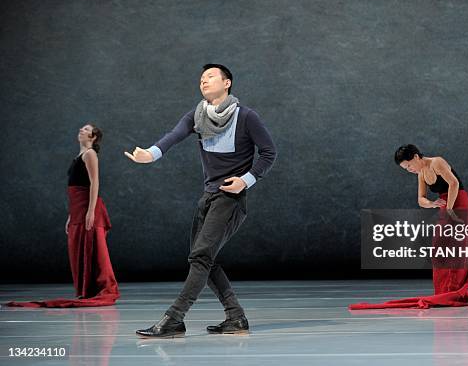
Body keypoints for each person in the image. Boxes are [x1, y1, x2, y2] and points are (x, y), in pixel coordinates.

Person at [126, 64, 276, 338]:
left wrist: (246, 179)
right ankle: (235, 317)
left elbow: (269, 152)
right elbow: (173, 136)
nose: (203, 81)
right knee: (204, 258)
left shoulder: (246, 116)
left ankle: (174, 317)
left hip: (230, 198)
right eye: (201, 79)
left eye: (210, 77)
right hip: (208, 196)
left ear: (227, 82)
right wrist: (150, 154)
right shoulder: (197, 116)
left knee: (201, 257)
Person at [6, 124, 120, 308]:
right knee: (79, 249)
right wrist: (71, 214)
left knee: (94, 249)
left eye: (85, 129)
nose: (81, 130)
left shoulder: (90, 154)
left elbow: (94, 182)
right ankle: (87, 290)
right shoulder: (79, 156)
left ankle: (101, 287)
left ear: (93, 137)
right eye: (81, 128)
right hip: (78, 209)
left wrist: (91, 211)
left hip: (88, 209)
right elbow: (76, 188)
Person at [350, 144, 468, 310]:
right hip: (446, 205)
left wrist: (450, 210)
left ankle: (454, 290)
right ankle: (444, 290)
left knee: (455, 248)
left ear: (416, 157)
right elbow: (421, 199)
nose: (408, 169)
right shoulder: (421, 174)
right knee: (439, 248)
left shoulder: (437, 162)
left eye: (408, 165)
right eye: (405, 168)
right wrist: (432, 204)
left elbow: (453, 184)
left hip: (459, 203)